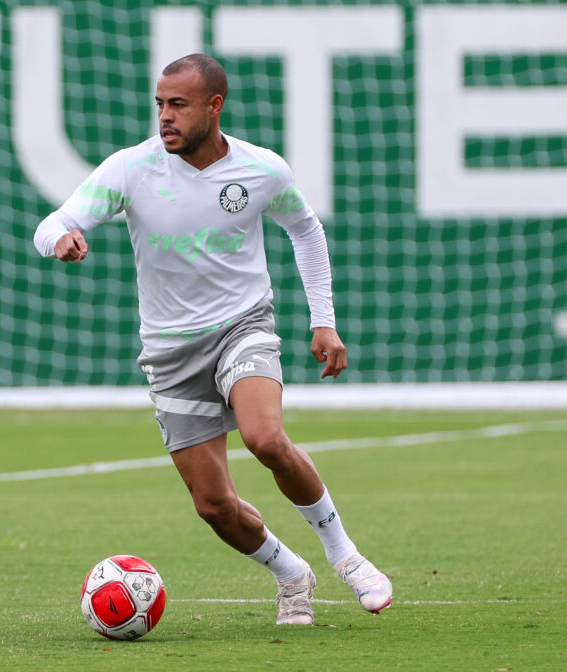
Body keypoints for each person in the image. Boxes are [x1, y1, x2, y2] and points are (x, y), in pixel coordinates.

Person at [34, 54, 392, 625]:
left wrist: (323, 320)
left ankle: (346, 556)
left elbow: (306, 229)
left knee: (266, 439)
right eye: (160, 105)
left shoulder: (262, 170)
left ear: (213, 106)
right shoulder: (132, 168)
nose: (165, 117)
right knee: (213, 504)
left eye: (178, 105)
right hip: (170, 352)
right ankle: (291, 574)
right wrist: (61, 239)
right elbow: (52, 222)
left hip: (242, 326)